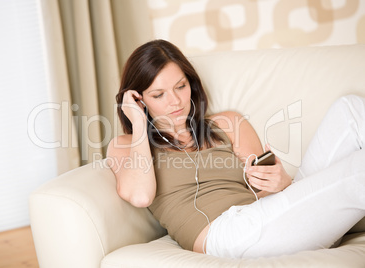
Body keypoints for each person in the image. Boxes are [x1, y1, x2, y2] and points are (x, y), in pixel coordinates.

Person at [106, 39, 365, 259]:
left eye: (180, 87)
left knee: (350, 109)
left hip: (265, 219)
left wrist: (282, 182)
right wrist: (139, 124)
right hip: (226, 235)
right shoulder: (126, 146)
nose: (175, 102)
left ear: (191, 84)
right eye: (158, 95)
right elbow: (141, 196)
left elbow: (264, 196)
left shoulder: (227, 123)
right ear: (138, 99)